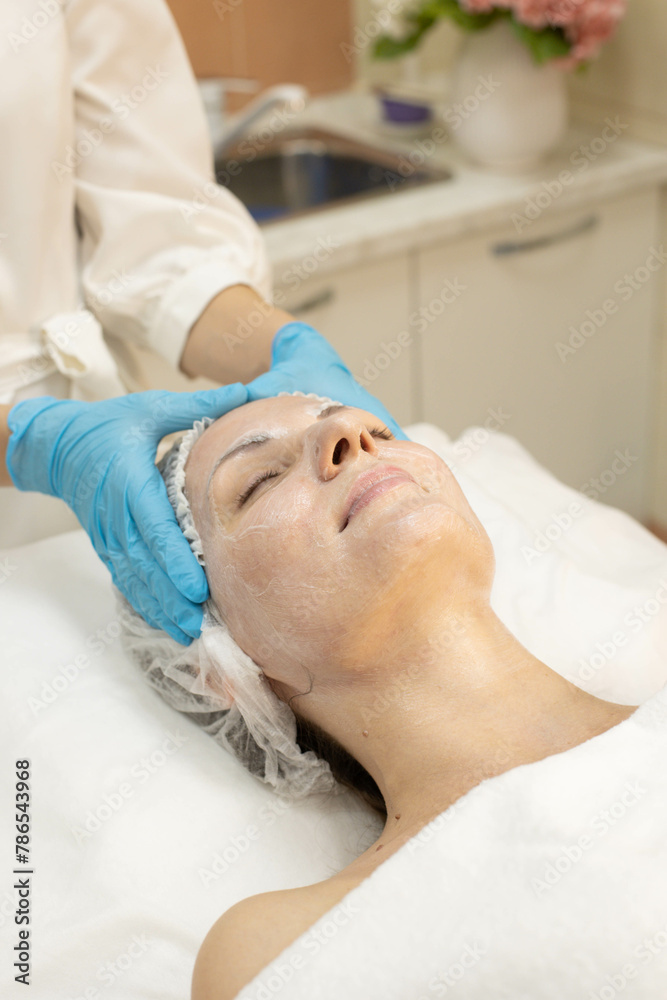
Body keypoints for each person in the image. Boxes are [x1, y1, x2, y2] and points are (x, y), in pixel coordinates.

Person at [118, 392, 640, 998]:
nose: (349, 430)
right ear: (218, 665)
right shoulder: (282, 947)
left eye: (379, 430)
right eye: (259, 480)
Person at [0, 0, 405, 642]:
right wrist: (30, 442)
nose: (350, 440)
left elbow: (159, 235)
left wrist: (279, 343)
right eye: (257, 486)